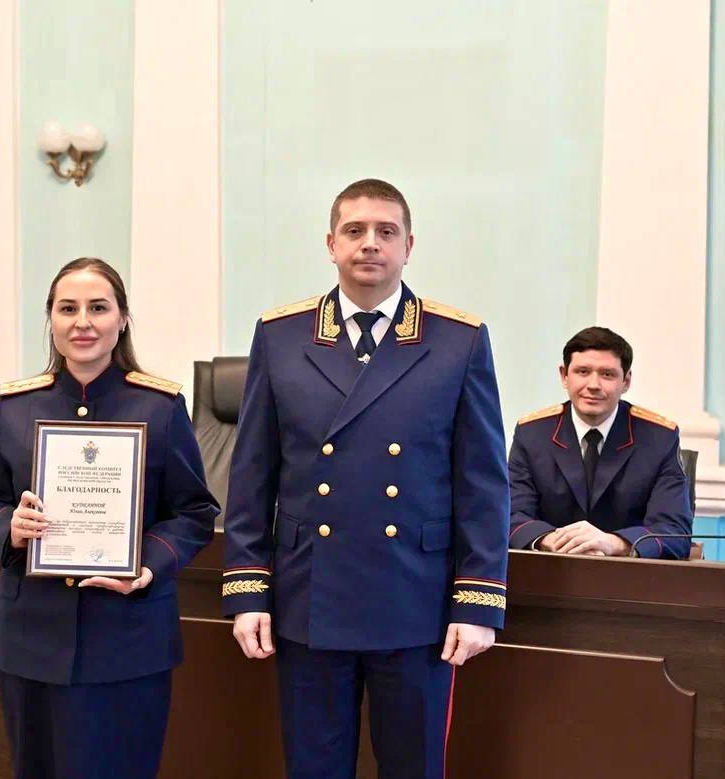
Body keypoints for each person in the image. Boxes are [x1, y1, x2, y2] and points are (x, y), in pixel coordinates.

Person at [222, 179, 510, 779]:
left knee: (412, 766)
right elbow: (252, 473)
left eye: (386, 231)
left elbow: (483, 482)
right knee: (314, 767)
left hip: (417, 601)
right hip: (308, 597)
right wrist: (247, 590)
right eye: (354, 231)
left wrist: (478, 599)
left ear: (409, 246)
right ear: (331, 244)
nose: (370, 243)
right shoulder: (281, 335)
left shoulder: (457, 341)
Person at [0, 258, 218, 779]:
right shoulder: (14, 406)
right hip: (33, 638)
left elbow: (194, 512)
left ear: (122, 320)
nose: (83, 322)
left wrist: (146, 565)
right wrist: (9, 529)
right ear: (50, 320)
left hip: (128, 639)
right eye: (68, 309)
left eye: (98, 308)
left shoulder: (160, 406)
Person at [508, 326, 692, 559]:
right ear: (564, 376)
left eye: (607, 374)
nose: (593, 385)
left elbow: (674, 531)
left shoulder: (659, 438)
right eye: (582, 372)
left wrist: (614, 543)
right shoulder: (532, 434)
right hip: (549, 572)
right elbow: (511, 516)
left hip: (631, 576)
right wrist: (550, 540)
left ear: (626, 381)